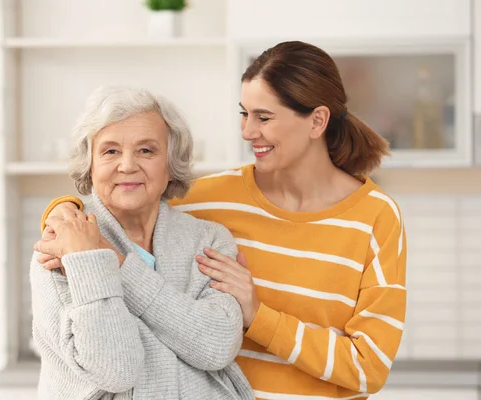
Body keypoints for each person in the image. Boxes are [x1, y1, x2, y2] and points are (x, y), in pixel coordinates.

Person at [41, 41, 407, 400]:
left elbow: (368, 368)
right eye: (244, 114)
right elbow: (131, 193)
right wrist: (63, 212)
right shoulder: (212, 197)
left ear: (317, 121)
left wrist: (258, 316)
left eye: (264, 117)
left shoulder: (375, 217)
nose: (248, 131)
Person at [30, 86, 254, 399]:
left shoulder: (209, 239)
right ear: (90, 164)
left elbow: (215, 347)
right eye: (110, 151)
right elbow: (114, 368)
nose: (127, 165)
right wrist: (183, 331)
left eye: (146, 150)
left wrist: (109, 262)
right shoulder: (59, 242)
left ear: (170, 163)